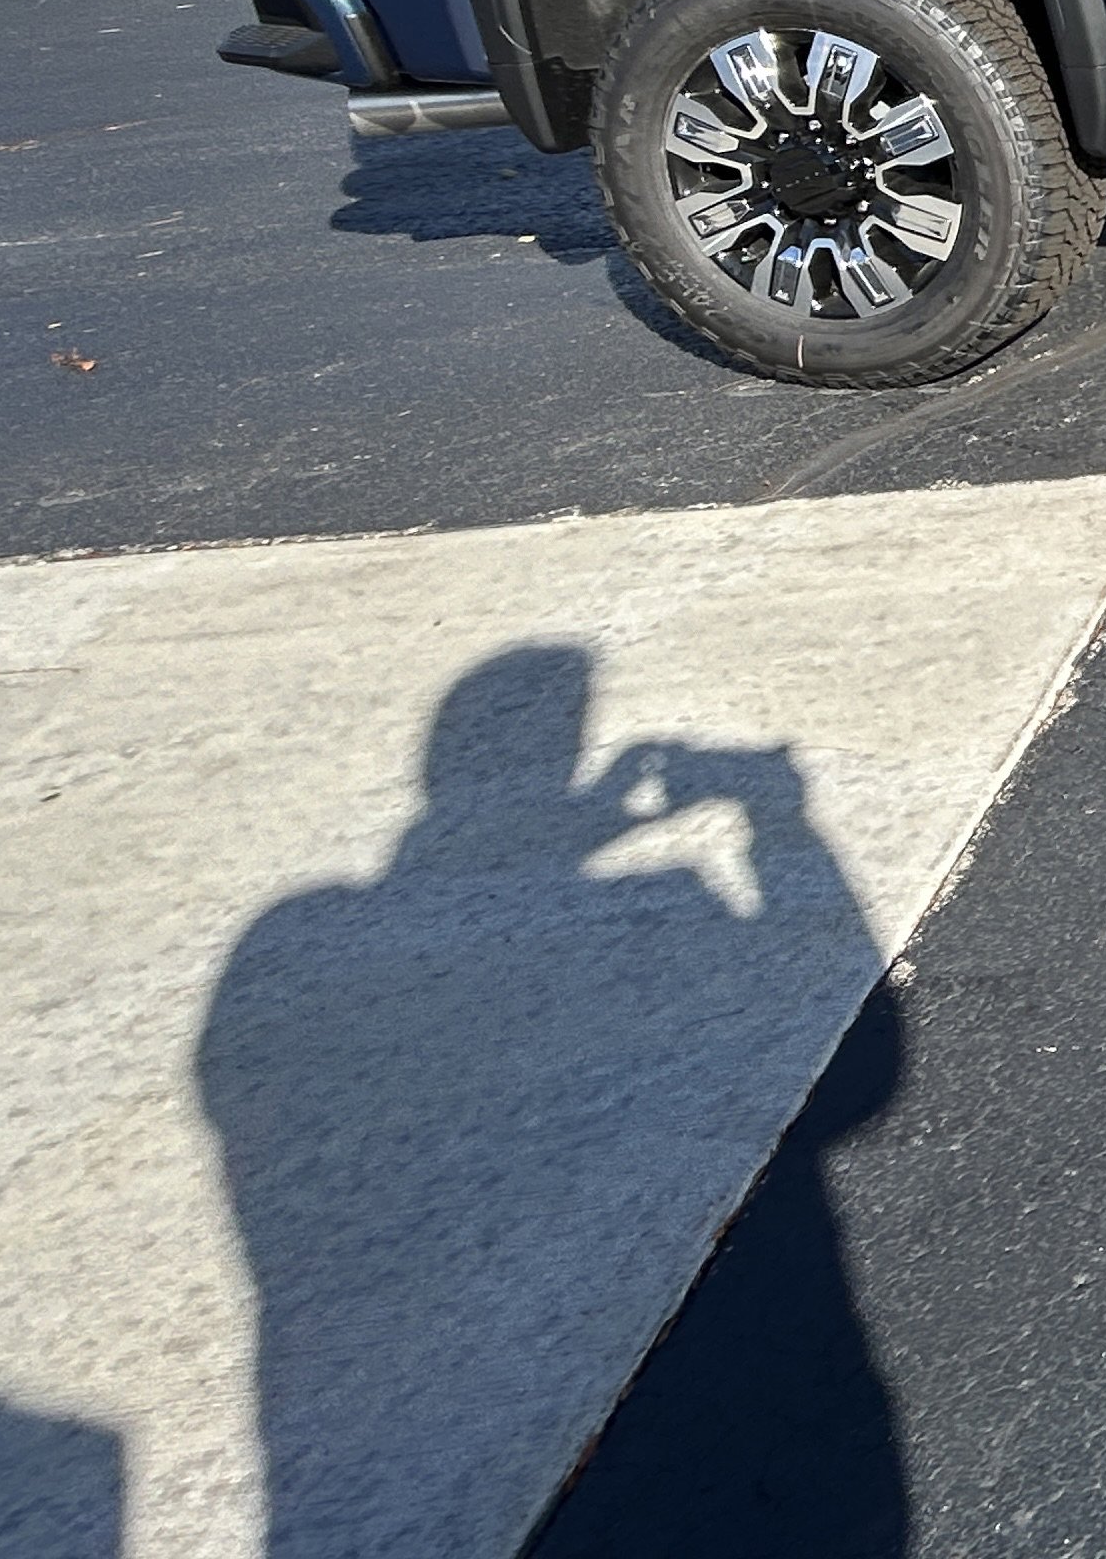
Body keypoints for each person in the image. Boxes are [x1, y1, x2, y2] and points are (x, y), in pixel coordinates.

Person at [195, 646, 903, 1557]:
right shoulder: (666, 910)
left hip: (352, 1413)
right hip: (714, 1370)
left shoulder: (291, 936)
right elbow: (863, 1080)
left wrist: (570, 840)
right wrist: (776, 814)